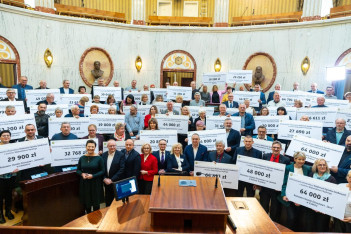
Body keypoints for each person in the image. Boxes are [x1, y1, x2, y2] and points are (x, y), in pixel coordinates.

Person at [259, 141, 290, 222]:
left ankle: (274, 225)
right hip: (265, 187)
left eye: (278, 148)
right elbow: (261, 170)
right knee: (263, 206)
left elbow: (286, 175)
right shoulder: (265, 156)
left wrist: (280, 187)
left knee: (275, 209)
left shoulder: (286, 160)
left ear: (281, 149)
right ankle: (263, 222)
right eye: (274, 147)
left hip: (277, 189)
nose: (276, 149)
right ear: (271, 148)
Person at [280, 151, 311, 231]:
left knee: (300, 220)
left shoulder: (307, 168)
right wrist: (284, 195)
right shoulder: (288, 168)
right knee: (291, 218)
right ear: (295, 159)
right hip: (290, 198)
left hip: (302, 198)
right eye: (299, 159)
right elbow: (284, 183)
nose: (301, 161)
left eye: (303, 159)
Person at [306, 159, 336, 232]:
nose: (322, 166)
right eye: (320, 165)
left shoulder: (331, 179)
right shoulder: (310, 175)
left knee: (321, 229)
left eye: (324, 165)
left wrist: (322, 207)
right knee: (309, 227)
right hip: (310, 207)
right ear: (316, 166)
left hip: (323, 211)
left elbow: (333, 196)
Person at [76, 139, 104, 214]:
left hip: (95, 183)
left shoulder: (99, 158)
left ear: (95, 147)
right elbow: (78, 170)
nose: (90, 148)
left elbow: (102, 171)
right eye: (89, 146)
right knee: (87, 203)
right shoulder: (82, 158)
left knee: (96, 204)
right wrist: (82, 174)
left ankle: (97, 220)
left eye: (92, 146)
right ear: (86, 147)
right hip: (85, 183)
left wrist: (93, 176)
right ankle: (88, 219)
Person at [0, 130, 18, 223]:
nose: (6, 137)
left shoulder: (14, 147)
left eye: (8, 135)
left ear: (10, 137)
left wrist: (19, 167)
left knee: (9, 194)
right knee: (0, 195)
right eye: (3, 135)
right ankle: (0, 214)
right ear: (0, 137)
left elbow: (18, 158)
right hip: (1, 177)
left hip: (12, 175)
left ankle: (8, 211)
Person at [101, 140, 125, 206]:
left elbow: (122, 169)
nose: (112, 147)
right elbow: (101, 168)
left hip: (116, 182)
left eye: (114, 146)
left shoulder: (121, 155)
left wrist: (112, 180)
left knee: (117, 202)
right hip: (106, 182)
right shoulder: (103, 155)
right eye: (110, 146)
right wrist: (104, 179)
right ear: (107, 146)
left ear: (116, 146)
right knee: (108, 201)